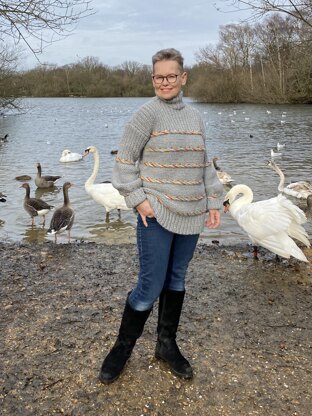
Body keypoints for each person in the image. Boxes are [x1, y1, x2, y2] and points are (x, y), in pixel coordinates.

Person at [99, 48, 223, 384]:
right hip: (155, 214)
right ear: (152, 79)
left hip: (192, 212)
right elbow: (123, 164)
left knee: (177, 279)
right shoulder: (146, 114)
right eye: (158, 76)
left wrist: (214, 201)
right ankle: (121, 349)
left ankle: (166, 345)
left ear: (183, 78)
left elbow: (203, 164)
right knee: (150, 285)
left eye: (171, 76)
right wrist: (139, 200)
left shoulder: (196, 118)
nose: (164, 82)